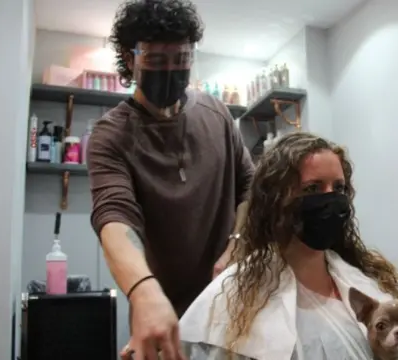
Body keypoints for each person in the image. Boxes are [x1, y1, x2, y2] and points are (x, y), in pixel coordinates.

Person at [87, 0, 254, 359]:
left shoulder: (217, 114)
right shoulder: (110, 136)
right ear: (129, 59)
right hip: (162, 319)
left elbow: (250, 187)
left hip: (230, 306)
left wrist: (237, 243)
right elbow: (114, 217)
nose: (171, 71)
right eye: (155, 59)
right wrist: (144, 290)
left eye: (181, 59)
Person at [179, 132, 398, 359]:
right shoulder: (232, 302)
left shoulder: (365, 285)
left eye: (339, 188)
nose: (331, 199)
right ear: (276, 200)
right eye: (312, 188)